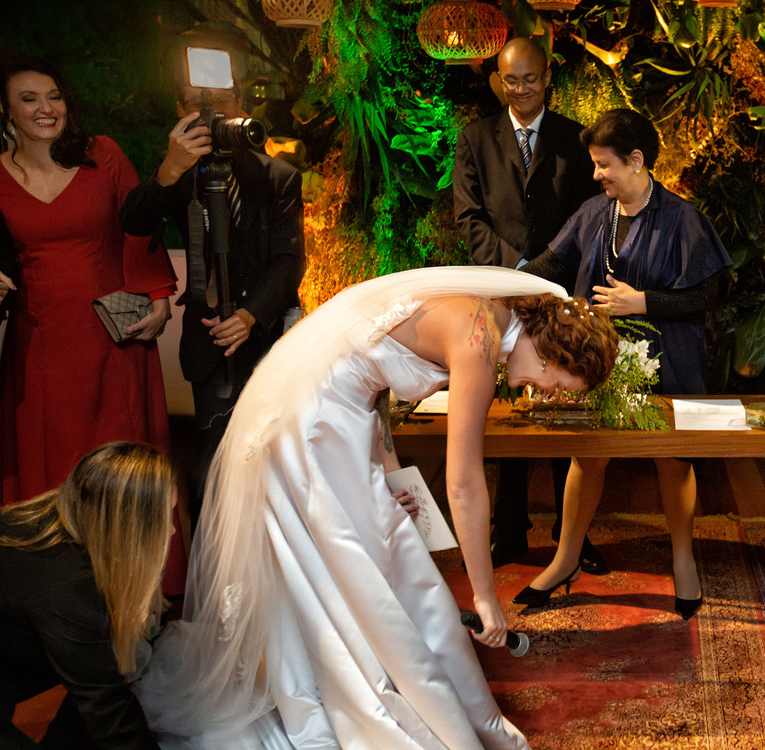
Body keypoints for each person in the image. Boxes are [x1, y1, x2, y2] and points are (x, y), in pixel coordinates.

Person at [133, 266, 618, 749]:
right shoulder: (478, 340)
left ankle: (412, 686)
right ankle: (364, 696)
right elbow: (465, 483)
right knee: (354, 562)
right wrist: (485, 595)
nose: (543, 390)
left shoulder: (485, 313)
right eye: (556, 382)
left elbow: (375, 370)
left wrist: (388, 470)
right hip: (316, 423)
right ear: (553, 351)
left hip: (344, 416)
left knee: (387, 547)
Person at [518, 108, 731, 619]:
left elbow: (715, 291)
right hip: (597, 365)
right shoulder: (595, 213)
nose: (597, 175)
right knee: (586, 457)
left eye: (603, 164)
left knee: (672, 460)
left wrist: (645, 304)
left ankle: (683, 560)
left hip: (670, 363)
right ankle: (566, 557)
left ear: (636, 161)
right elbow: (552, 264)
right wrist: (505, 286)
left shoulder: (682, 218)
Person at [0, 57, 186, 594]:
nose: (45, 108)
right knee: (52, 466)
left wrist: (156, 294)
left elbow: (138, 223)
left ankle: (138, 596)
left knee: (120, 465)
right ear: (7, 111)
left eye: (54, 96)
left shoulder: (100, 154)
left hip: (114, 336)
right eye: (30, 98)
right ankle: (61, 598)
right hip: (40, 344)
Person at [121, 45, 305, 526]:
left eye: (224, 100)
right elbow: (135, 222)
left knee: (275, 466)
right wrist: (170, 167)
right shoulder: (180, 174)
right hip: (208, 343)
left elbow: (289, 261)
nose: (213, 112)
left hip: (267, 336)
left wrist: (249, 316)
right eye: (197, 104)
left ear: (241, 105)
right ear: (181, 113)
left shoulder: (278, 176)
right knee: (212, 470)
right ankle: (212, 581)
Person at [453, 37, 604, 572]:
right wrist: (514, 271)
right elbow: (469, 217)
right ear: (499, 79)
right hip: (498, 293)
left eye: (530, 79)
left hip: (562, 290)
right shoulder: (475, 139)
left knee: (569, 408)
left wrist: (543, 272)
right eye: (509, 79)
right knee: (508, 410)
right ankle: (509, 529)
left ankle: (573, 536)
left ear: (547, 79)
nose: (520, 88)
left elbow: (589, 215)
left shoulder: (573, 139)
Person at [1, 441, 176, 750]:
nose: (172, 532)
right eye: (165, 520)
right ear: (128, 528)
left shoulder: (65, 514)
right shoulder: (68, 590)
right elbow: (111, 716)